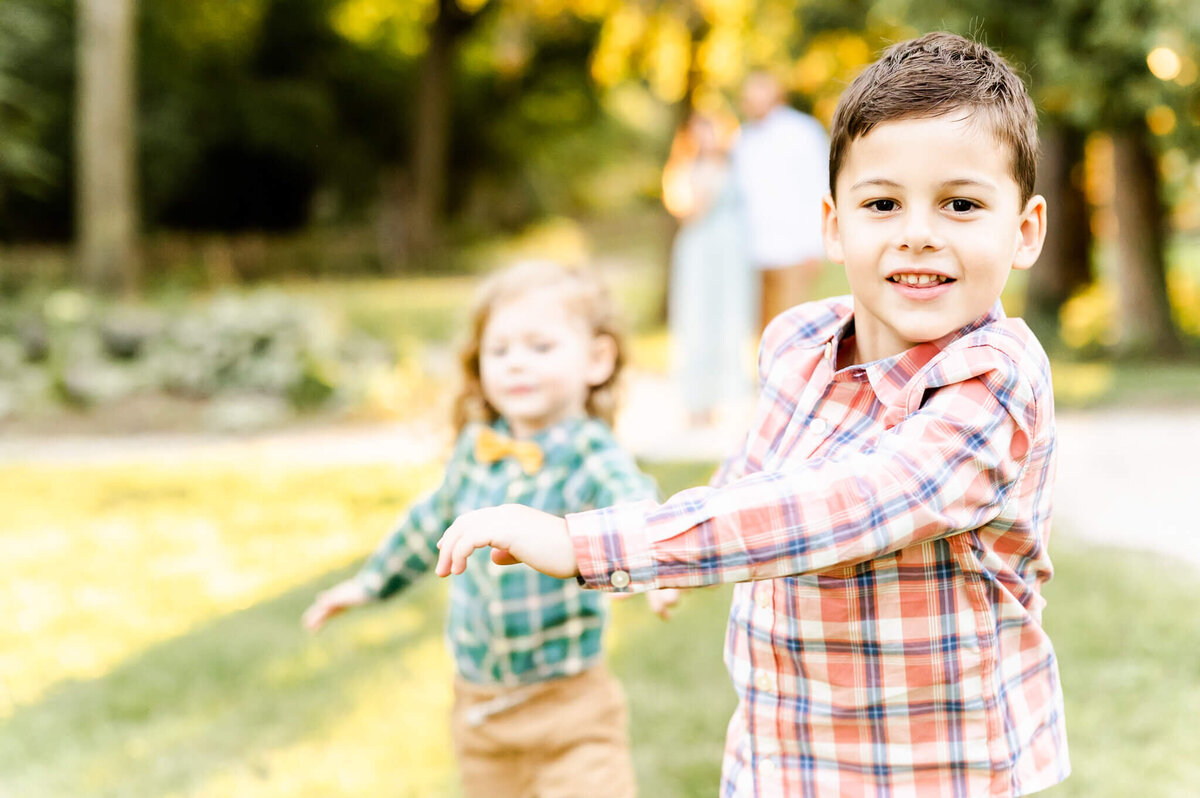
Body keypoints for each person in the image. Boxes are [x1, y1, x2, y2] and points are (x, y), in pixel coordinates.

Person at [435, 32, 1071, 797]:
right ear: (833, 225)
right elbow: (758, 473)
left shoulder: (993, 381)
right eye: (883, 203)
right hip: (781, 758)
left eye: (961, 205)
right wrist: (678, 550)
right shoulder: (800, 345)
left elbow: (851, 505)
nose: (918, 231)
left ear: (1025, 230)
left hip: (929, 771)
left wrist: (592, 543)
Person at [303, 260, 677, 798]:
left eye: (540, 348)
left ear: (597, 360)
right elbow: (428, 522)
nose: (516, 365)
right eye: (500, 351)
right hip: (480, 710)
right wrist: (371, 583)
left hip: (569, 706)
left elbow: (631, 498)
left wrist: (657, 570)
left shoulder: (590, 452)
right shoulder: (476, 452)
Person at [662, 111, 755, 428]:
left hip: (731, 252)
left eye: (710, 130)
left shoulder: (736, 164)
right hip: (699, 252)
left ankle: (730, 399)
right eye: (699, 131)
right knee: (696, 320)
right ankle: (696, 402)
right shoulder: (683, 170)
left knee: (732, 319)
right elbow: (686, 210)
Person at [732, 69, 829, 333]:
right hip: (753, 252)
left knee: (793, 326)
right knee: (761, 329)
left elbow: (819, 186)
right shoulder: (743, 139)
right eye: (749, 93)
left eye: (759, 90)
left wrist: (815, 245)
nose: (753, 98)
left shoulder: (803, 131)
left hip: (793, 249)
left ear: (775, 92)